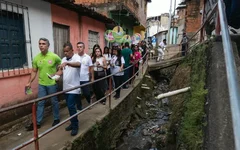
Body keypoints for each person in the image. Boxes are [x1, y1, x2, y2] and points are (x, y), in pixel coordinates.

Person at [25, 38, 61, 131]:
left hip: (52, 84)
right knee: (40, 103)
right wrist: (29, 82)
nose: (41, 45)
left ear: (48, 46)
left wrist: (57, 75)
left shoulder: (54, 56)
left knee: (54, 102)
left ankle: (56, 119)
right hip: (42, 84)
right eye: (40, 43)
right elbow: (34, 71)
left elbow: (61, 66)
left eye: (43, 44)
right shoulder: (37, 58)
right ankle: (37, 123)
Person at [56, 42, 80, 136]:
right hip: (66, 88)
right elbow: (61, 71)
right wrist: (54, 76)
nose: (65, 53)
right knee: (70, 107)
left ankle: (75, 126)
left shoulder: (76, 57)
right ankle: (73, 122)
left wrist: (67, 63)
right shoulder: (63, 59)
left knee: (71, 106)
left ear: (72, 50)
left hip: (74, 87)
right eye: (64, 51)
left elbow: (78, 64)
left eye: (67, 51)